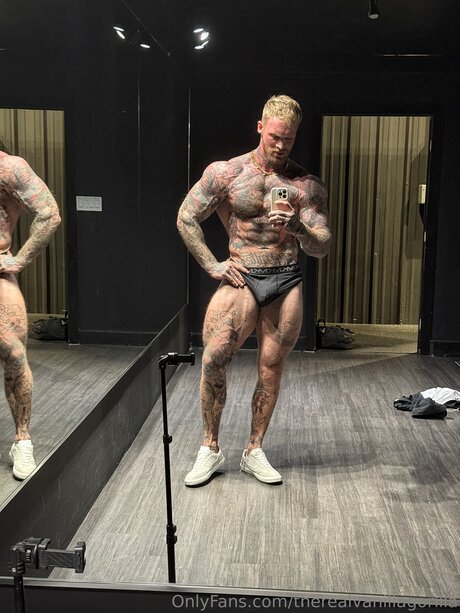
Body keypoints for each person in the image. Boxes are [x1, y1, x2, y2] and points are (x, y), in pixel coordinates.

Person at [177, 95, 331, 486]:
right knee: (214, 358)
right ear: (261, 127)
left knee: (271, 367)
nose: (281, 145)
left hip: (285, 279)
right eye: (275, 136)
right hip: (241, 276)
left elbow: (322, 246)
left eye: (288, 139)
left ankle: (254, 450)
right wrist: (212, 264)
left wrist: (297, 227)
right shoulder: (227, 173)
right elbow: (186, 217)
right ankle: (210, 447)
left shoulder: (306, 185)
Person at [0, 140, 61, 479]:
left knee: (13, 353)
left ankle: (22, 440)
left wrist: (19, 260)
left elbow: (49, 213)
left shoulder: (9, 168)